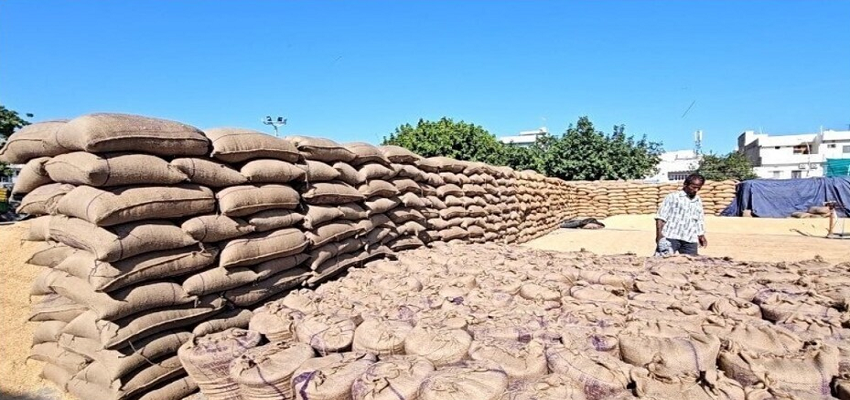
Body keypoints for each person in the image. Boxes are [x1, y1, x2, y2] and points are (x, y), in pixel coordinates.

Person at [655, 173, 708, 256]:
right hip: (671, 236)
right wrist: (659, 236)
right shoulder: (672, 197)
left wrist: (701, 235)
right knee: (661, 261)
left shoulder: (698, 200)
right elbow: (661, 217)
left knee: (691, 264)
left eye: (699, 188)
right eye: (693, 187)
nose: (696, 190)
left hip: (690, 238)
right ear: (685, 184)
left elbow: (699, 219)